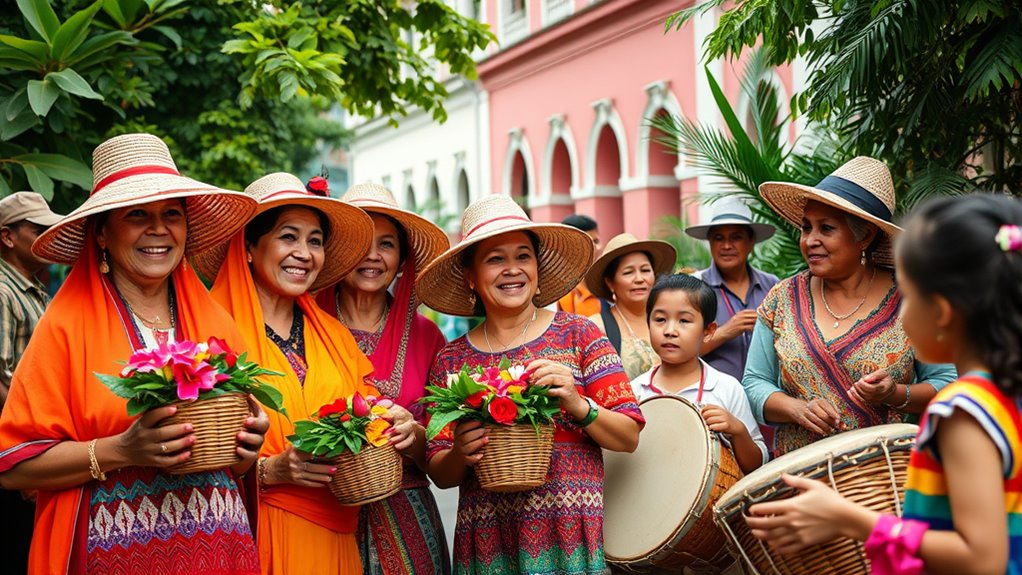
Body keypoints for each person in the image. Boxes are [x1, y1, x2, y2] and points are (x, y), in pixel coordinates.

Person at [0, 133, 268, 574]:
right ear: (102, 233)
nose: (158, 229)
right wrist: (122, 450)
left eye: (171, 214)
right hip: (113, 554)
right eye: (137, 214)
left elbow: (237, 466)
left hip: (219, 550)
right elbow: (15, 467)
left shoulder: (218, 323)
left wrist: (247, 447)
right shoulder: (63, 327)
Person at [746, 193, 1022, 574]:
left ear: (941, 313)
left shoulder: (961, 414)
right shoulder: (997, 396)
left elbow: (983, 559)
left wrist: (849, 517)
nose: (896, 308)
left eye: (908, 296)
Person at [196, 172, 417, 575]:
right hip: (248, 532)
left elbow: (365, 415)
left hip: (336, 537)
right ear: (248, 247)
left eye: (314, 241)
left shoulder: (334, 335)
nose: (304, 253)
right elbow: (193, 452)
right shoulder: (208, 333)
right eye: (288, 237)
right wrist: (268, 471)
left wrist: (395, 424)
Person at [417, 195, 644, 575]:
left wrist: (578, 403)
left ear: (537, 268)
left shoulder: (580, 335)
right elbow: (440, 472)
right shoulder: (451, 360)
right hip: (489, 545)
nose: (512, 269)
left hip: (570, 540)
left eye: (523, 256)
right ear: (470, 276)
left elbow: (629, 436)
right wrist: (460, 452)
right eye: (495, 259)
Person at [743, 157, 956, 457]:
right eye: (806, 228)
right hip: (796, 472)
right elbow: (754, 381)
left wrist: (894, 394)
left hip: (881, 472)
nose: (810, 240)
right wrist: (796, 409)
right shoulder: (782, 298)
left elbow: (948, 384)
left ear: (865, 236)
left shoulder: (912, 300)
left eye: (826, 228)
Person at [314, 181, 452, 575]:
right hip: (323, 511)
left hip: (409, 518)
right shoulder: (306, 325)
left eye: (386, 244)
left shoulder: (428, 337)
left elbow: (443, 458)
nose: (372, 256)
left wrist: (415, 435)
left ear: (403, 259)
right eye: (361, 243)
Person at [630, 274, 767, 474]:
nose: (670, 330)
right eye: (660, 319)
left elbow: (756, 465)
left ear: (709, 331)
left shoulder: (726, 388)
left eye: (684, 320)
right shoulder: (635, 392)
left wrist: (738, 430)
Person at [0, 191, 62, 575]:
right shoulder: (3, 291)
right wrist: (25, 454)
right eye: (38, 230)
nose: (47, 237)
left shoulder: (32, 290)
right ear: (7, 237)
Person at [685, 201, 778, 381]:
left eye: (736, 237)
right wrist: (726, 331)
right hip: (713, 394)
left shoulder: (772, 286)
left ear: (751, 242)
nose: (727, 246)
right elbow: (683, 349)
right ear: (710, 243)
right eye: (719, 238)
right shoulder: (693, 286)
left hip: (766, 394)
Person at [585, 232, 677, 379]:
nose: (639, 279)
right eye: (628, 272)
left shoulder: (672, 320)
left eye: (645, 270)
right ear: (610, 283)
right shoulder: (596, 328)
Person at [557, 214, 602, 317]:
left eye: (596, 241)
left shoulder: (611, 285)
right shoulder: (563, 296)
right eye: (588, 243)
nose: (596, 248)